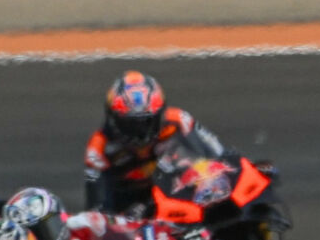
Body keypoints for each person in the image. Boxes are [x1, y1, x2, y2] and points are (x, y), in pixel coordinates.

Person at [82, 70, 221, 215]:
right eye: (130, 124)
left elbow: (218, 154)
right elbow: (97, 209)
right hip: (134, 212)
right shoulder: (98, 147)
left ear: (160, 114)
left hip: (182, 194)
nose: (140, 133)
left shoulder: (179, 120)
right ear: (113, 119)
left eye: (148, 122)